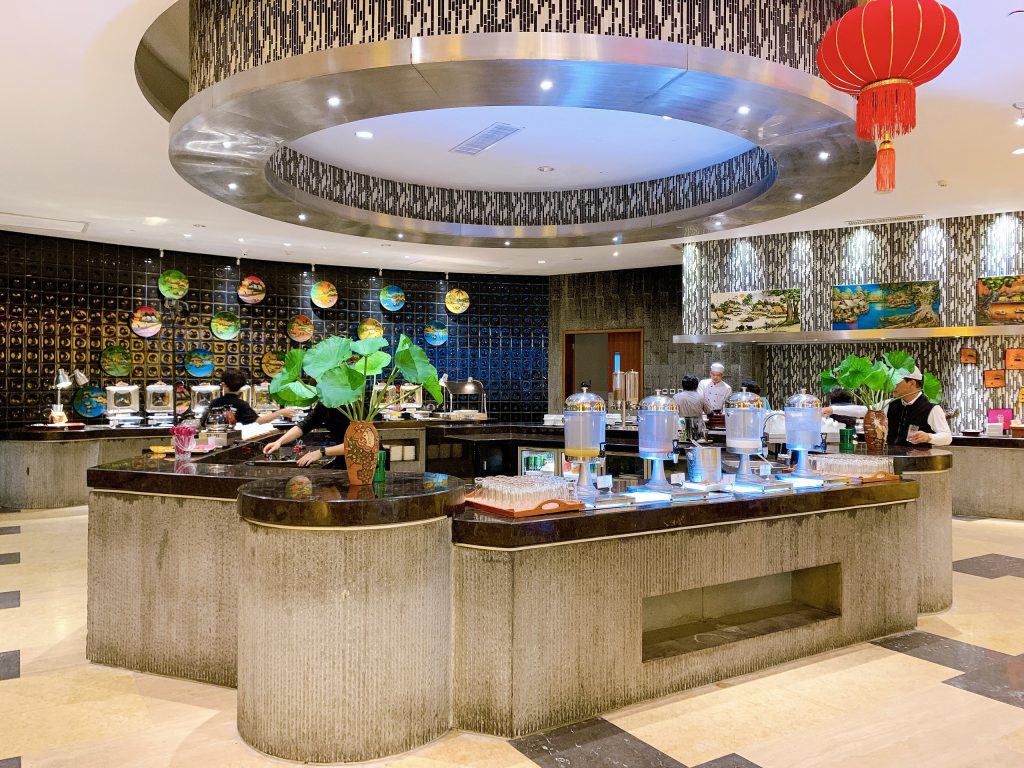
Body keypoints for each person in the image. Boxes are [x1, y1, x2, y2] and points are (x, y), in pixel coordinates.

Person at [823, 368, 951, 447]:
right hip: (892, 461)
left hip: (918, 465)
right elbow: (865, 410)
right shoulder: (891, 403)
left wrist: (929, 437)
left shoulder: (931, 408)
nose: (892, 385)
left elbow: (947, 437)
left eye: (896, 381)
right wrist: (832, 409)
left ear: (912, 383)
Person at [263, 401, 350, 467]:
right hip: (342, 459)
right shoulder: (324, 403)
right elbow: (304, 425)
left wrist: (322, 452)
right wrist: (279, 442)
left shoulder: (354, 403)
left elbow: (356, 445)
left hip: (355, 460)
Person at [209, 369, 294, 425]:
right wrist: (279, 413)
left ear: (224, 385)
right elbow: (258, 421)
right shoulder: (242, 405)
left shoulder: (214, 403)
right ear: (242, 386)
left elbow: (205, 422)